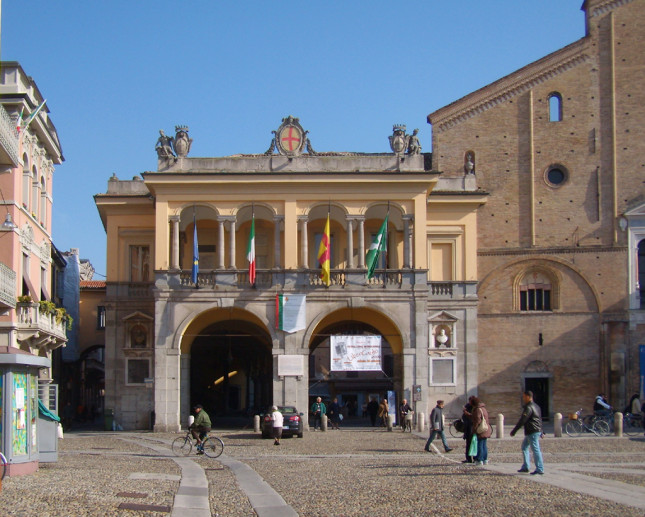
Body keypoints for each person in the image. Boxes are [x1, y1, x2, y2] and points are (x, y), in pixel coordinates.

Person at [510, 391, 544, 475]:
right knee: (524, 447)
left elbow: (523, 420)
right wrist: (541, 430)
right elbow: (539, 419)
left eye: (524, 397)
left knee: (535, 449)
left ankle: (540, 469)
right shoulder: (536, 406)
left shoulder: (529, 407)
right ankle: (526, 466)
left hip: (532, 431)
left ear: (529, 397)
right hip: (533, 431)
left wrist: (514, 431)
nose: (523, 398)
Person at [470, 397, 492, 466]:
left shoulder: (477, 410)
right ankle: (485, 459)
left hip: (481, 429)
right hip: (486, 429)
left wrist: (474, 430)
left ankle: (480, 459)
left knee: (479, 444)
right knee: (484, 445)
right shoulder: (483, 408)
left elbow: (477, 421)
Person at [461, 396, 475, 463]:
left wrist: (467, 414)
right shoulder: (467, 407)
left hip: (473, 428)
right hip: (468, 428)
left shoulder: (476, 408)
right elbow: (463, 417)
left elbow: (475, 417)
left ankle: (475, 458)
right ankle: (468, 459)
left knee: (474, 444)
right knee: (468, 444)